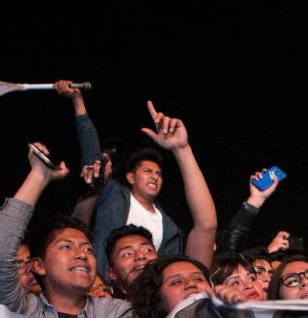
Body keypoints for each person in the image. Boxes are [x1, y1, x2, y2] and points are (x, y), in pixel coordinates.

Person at [0, 144, 146, 318]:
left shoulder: (116, 313)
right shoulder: (19, 311)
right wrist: (39, 175)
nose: (82, 255)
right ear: (38, 265)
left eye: (88, 248)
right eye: (66, 247)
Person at [54, 82, 216, 278]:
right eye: (148, 171)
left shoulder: (170, 228)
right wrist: (79, 104)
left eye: (159, 174)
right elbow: (93, 162)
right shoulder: (114, 198)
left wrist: (181, 149)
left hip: (145, 299)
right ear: (130, 177)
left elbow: (205, 228)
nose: (155, 176)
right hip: (107, 292)